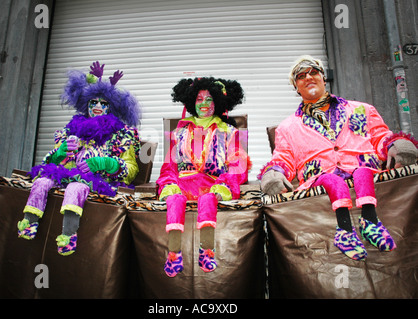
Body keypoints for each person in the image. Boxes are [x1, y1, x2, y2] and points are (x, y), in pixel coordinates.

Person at [259, 55, 417, 261]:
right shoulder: (287, 127)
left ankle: (371, 224)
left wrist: (396, 145)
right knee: (332, 181)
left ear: (324, 78)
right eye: (301, 76)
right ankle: (345, 233)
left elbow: (380, 137)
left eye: (313, 72)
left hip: (365, 173)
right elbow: (283, 158)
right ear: (296, 87)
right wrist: (273, 174)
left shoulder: (361, 109)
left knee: (363, 172)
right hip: (321, 181)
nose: (308, 77)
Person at [17, 61, 141, 256]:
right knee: (41, 181)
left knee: (76, 188)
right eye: (94, 102)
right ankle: (29, 224)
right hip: (64, 175)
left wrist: (105, 163)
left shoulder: (122, 133)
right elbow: (48, 161)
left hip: (97, 182)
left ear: (112, 108)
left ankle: (68, 236)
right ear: (87, 104)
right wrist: (60, 152)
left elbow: (131, 170)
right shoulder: (72, 128)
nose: (98, 106)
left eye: (104, 103)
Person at [157, 77, 250, 277]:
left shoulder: (229, 131)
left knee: (208, 199)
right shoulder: (179, 132)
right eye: (199, 99)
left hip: (212, 184)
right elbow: (169, 166)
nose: (204, 104)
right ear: (192, 102)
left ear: (218, 103)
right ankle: (174, 254)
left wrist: (224, 185)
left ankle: (206, 252)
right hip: (182, 184)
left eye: (209, 99)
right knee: (174, 199)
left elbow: (238, 165)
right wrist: (169, 184)